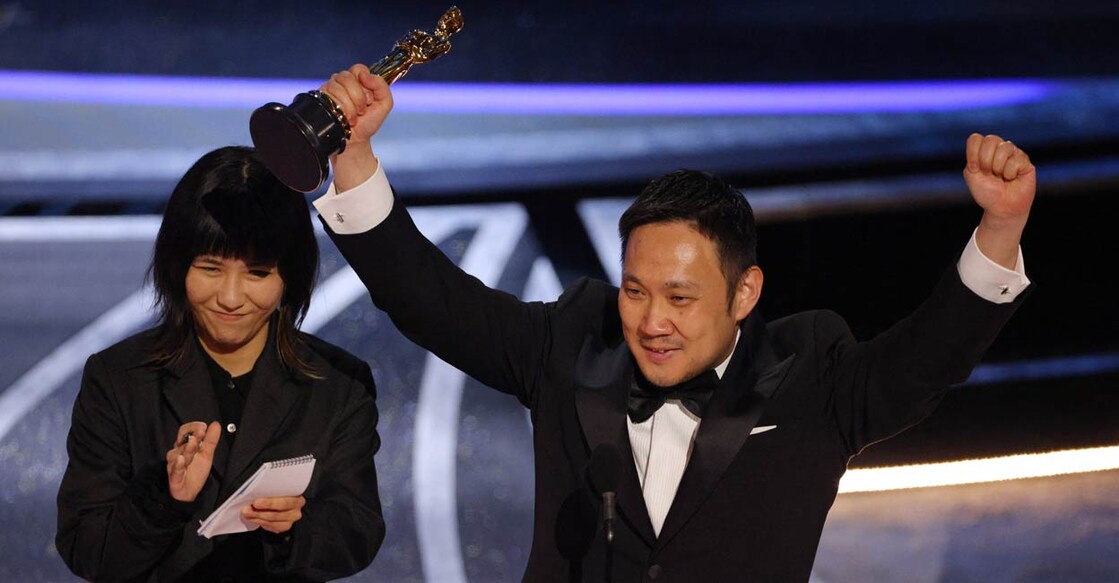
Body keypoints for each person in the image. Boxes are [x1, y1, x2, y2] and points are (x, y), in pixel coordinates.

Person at [313, 66, 1033, 582]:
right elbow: (433, 302)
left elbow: (928, 357)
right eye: (634, 289)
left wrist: (999, 228)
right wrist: (353, 159)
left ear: (744, 292)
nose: (651, 320)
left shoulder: (810, 374)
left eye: (680, 297)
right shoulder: (571, 341)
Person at [56, 146, 385, 582]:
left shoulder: (339, 384)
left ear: (291, 277)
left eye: (257, 273)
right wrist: (162, 499)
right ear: (177, 267)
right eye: (210, 268)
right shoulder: (118, 379)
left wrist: (293, 530)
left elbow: (358, 532)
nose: (230, 298)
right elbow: (87, 550)